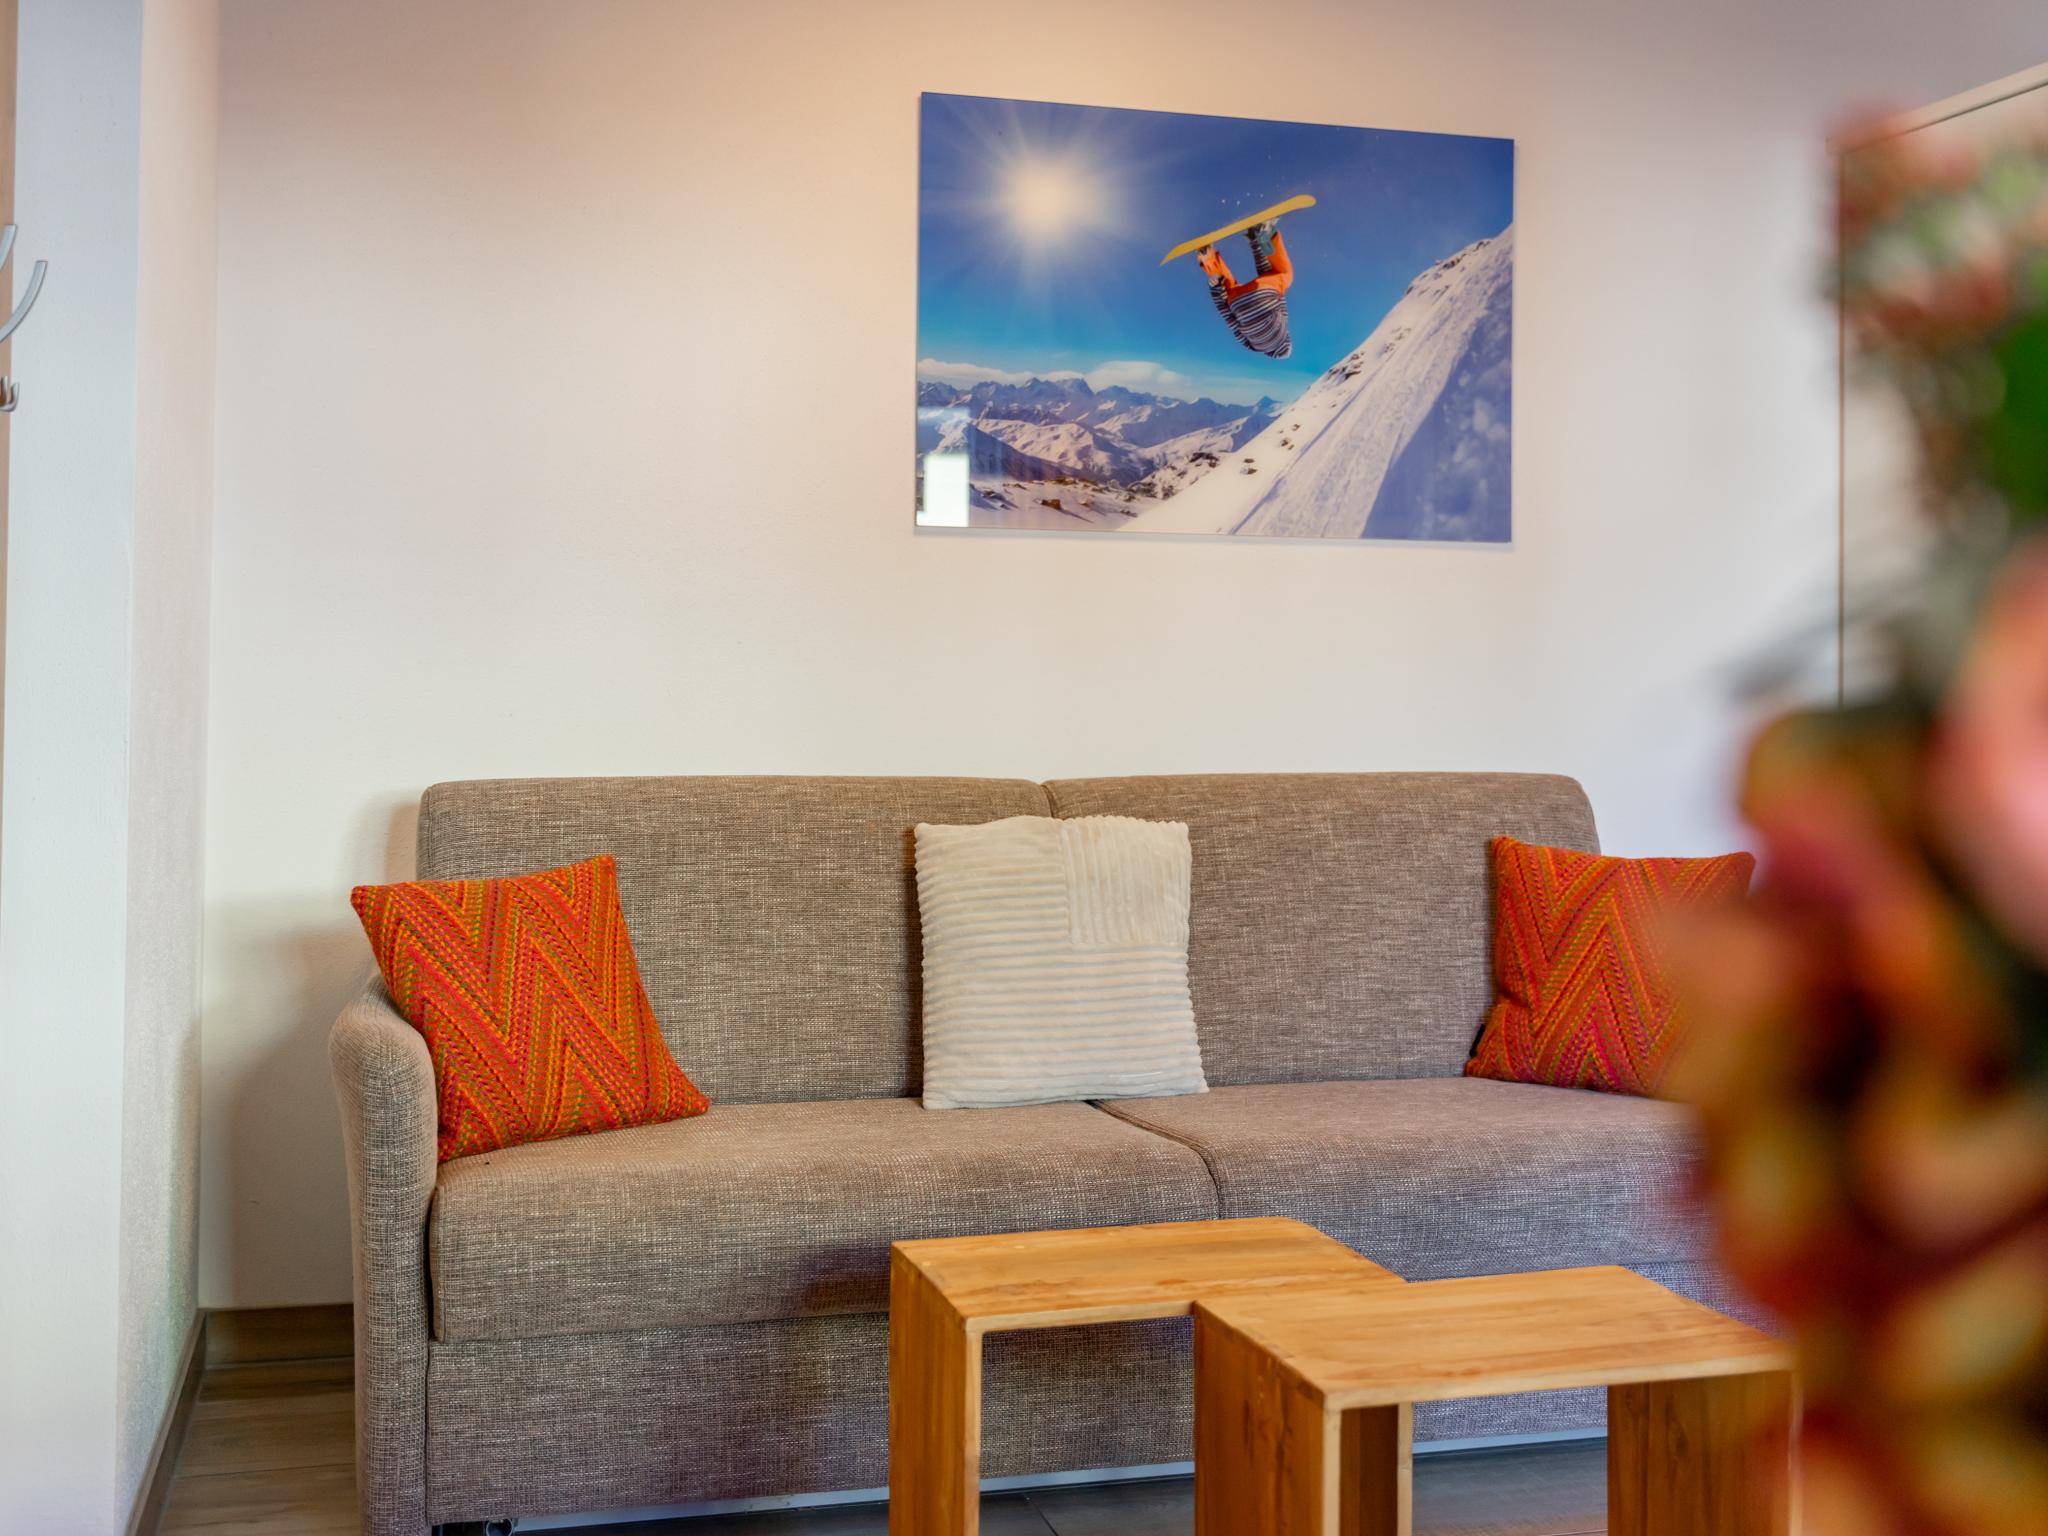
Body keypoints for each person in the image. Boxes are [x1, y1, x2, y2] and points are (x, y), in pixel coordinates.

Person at [1197, 220, 1293, 359]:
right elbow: (1230, 320)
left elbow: (1278, 296)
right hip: (1238, 302)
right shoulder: (1252, 347)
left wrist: (1256, 246)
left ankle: (1264, 235)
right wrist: (1216, 289)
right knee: (1228, 289)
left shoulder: (1283, 329)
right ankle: (1208, 259)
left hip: (1264, 293)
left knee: (1282, 274)